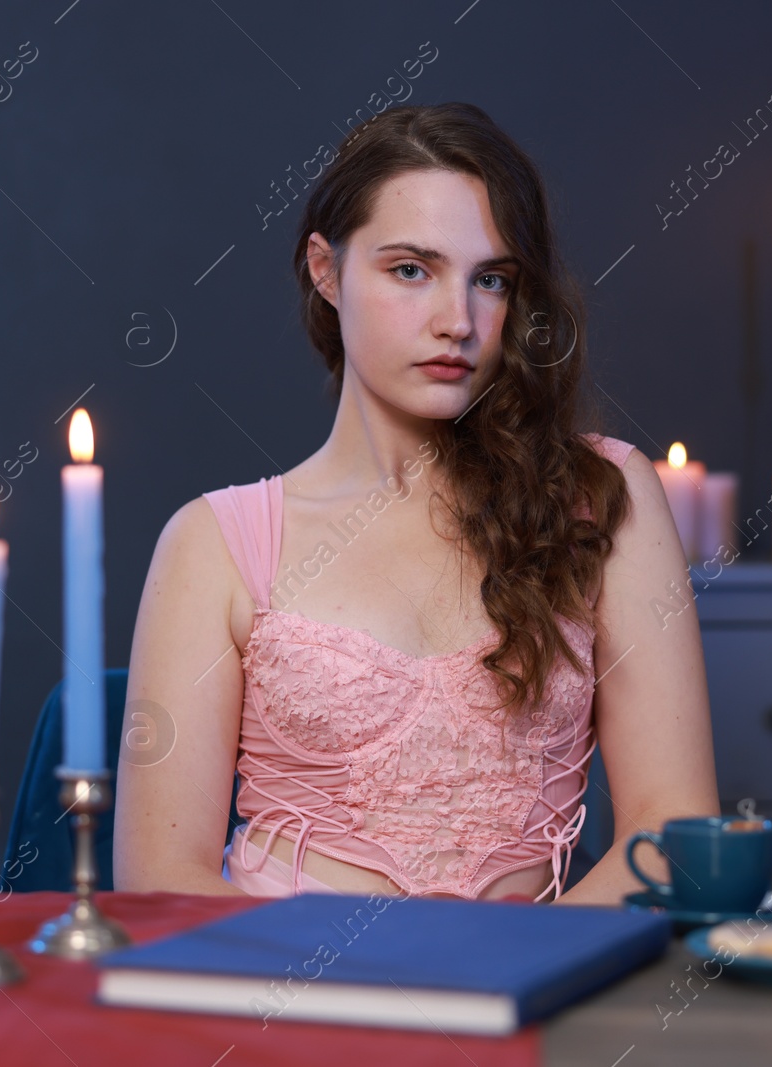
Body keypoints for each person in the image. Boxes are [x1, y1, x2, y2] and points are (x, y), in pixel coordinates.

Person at [115, 102, 718, 905]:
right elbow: (161, 879)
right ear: (326, 272)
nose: (458, 321)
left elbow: (672, 833)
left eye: (491, 280)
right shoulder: (215, 542)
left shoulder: (600, 496)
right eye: (411, 270)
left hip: (530, 997)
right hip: (284, 1002)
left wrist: (517, 983)